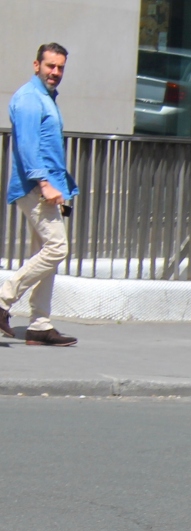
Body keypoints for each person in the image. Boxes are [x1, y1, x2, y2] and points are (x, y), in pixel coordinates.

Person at [0, 43, 79, 346]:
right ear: (37, 65)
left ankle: (39, 325)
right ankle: (4, 300)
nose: (55, 73)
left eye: (60, 67)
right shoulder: (30, 99)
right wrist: (45, 184)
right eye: (50, 66)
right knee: (57, 248)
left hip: (46, 188)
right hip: (36, 188)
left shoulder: (45, 98)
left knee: (44, 254)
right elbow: (28, 147)